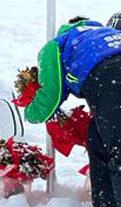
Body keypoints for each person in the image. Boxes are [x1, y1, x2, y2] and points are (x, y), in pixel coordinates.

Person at [25, 17, 121, 207]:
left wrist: (30, 111)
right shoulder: (109, 33)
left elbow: (51, 96)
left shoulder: (58, 44)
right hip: (108, 86)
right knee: (97, 142)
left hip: (111, 81)